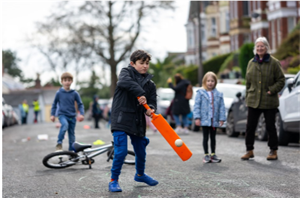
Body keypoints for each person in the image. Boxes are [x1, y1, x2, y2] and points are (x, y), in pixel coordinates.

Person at [109, 49, 158, 192]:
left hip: (137, 121)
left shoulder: (150, 84)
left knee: (141, 150)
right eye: (141, 63)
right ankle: (113, 180)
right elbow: (124, 82)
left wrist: (151, 109)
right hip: (121, 118)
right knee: (121, 151)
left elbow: (152, 101)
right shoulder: (126, 72)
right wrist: (140, 93)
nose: (145, 66)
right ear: (132, 63)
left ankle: (140, 174)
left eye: (147, 63)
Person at [241, 37, 285, 161]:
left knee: (270, 126)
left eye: (262, 46)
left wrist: (273, 89)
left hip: (269, 99)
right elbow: (248, 82)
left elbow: (281, 80)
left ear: (266, 48)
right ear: (255, 48)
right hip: (253, 99)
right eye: (258, 46)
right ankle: (249, 150)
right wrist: (248, 96)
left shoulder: (274, 62)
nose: (260, 48)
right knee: (250, 126)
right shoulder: (251, 62)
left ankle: (273, 150)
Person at [193, 72, 226, 163]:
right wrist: (197, 118)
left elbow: (222, 107)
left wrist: (222, 118)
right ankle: (206, 154)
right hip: (204, 120)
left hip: (213, 120)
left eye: (212, 81)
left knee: (213, 137)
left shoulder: (218, 94)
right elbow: (197, 106)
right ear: (204, 82)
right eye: (208, 81)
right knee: (205, 137)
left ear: (215, 82)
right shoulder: (200, 93)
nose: (210, 83)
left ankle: (213, 154)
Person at [50, 72, 85, 151]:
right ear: (62, 82)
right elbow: (54, 104)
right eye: (65, 80)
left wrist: (82, 114)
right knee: (65, 125)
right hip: (62, 115)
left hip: (72, 116)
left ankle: (71, 151)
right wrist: (52, 115)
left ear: (72, 81)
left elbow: (80, 104)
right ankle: (59, 143)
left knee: (72, 135)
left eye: (69, 80)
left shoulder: (74, 93)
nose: (67, 82)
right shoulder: (59, 93)